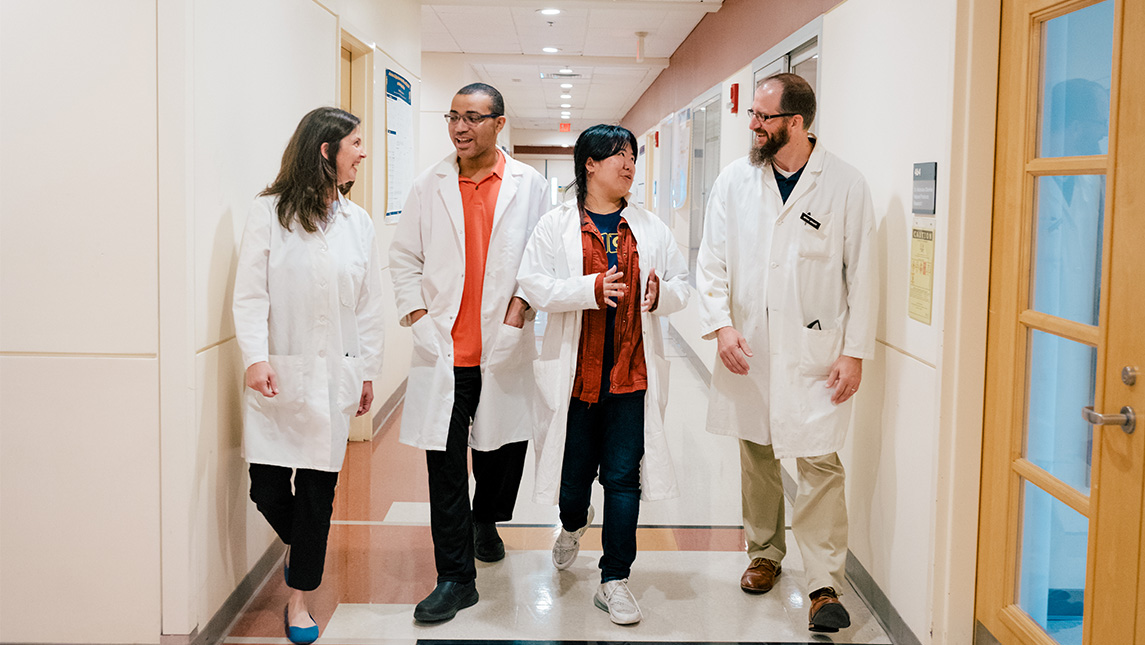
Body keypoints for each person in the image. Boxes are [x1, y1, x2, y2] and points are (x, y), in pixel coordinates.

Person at [696, 73, 877, 633]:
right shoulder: (734, 181)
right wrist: (721, 328)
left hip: (815, 351)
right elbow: (712, 262)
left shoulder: (844, 184)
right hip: (751, 344)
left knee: (819, 460)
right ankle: (765, 554)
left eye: (762, 117)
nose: (752, 125)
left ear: (794, 124)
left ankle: (824, 583)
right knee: (757, 451)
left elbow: (863, 273)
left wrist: (855, 352)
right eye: (751, 114)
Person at [389, 82, 550, 623]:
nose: (461, 127)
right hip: (444, 353)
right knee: (445, 467)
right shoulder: (428, 184)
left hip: (502, 347)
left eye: (474, 118)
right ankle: (456, 577)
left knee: (502, 455)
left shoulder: (529, 186)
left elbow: (542, 257)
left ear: (499, 123)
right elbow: (403, 256)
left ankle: (488, 518)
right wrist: (415, 314)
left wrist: (521, 304)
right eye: (453, 116)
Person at [517, 124, 689, 625]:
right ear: (589, 164)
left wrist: (663, 295)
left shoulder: (650, 227)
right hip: (576, 378)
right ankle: (573, 523)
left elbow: (679, 283)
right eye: (617, 154)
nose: (629, 163)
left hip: (630, 375)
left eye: (632, 154)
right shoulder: (556, 226)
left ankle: (615, 578)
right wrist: (588, 289)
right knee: (572, 483)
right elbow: (534, 284)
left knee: (622, 478)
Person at [233, 107, 385, 645]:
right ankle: (305, 548)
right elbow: (251, 294)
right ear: (327, 150)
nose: (363, 153)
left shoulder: (358, 222)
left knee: (319, 491)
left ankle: (300, 599)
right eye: (356, 144)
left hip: (338, 375)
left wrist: (367, 370)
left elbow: (368, 305)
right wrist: (255, 357)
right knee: (266, 488)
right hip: (280, 372)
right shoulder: (268, 213)